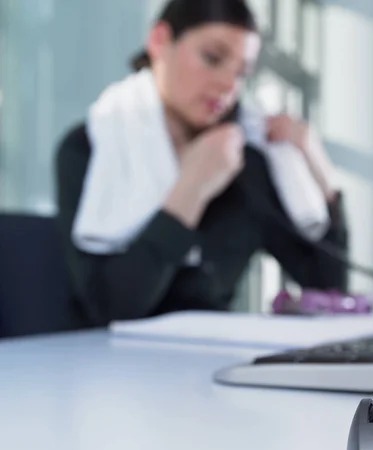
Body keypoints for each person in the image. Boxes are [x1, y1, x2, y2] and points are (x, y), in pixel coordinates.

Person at [55, 0, 348, 328]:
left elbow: (330, 289)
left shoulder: (243, 162)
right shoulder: (91, 149)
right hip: (106, 366)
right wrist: (191, 188)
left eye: (241, 72)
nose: (228, 85)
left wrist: (319, 169)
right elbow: (111, 310)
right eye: (212, 58)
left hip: (213, 363)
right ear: (160, 42)